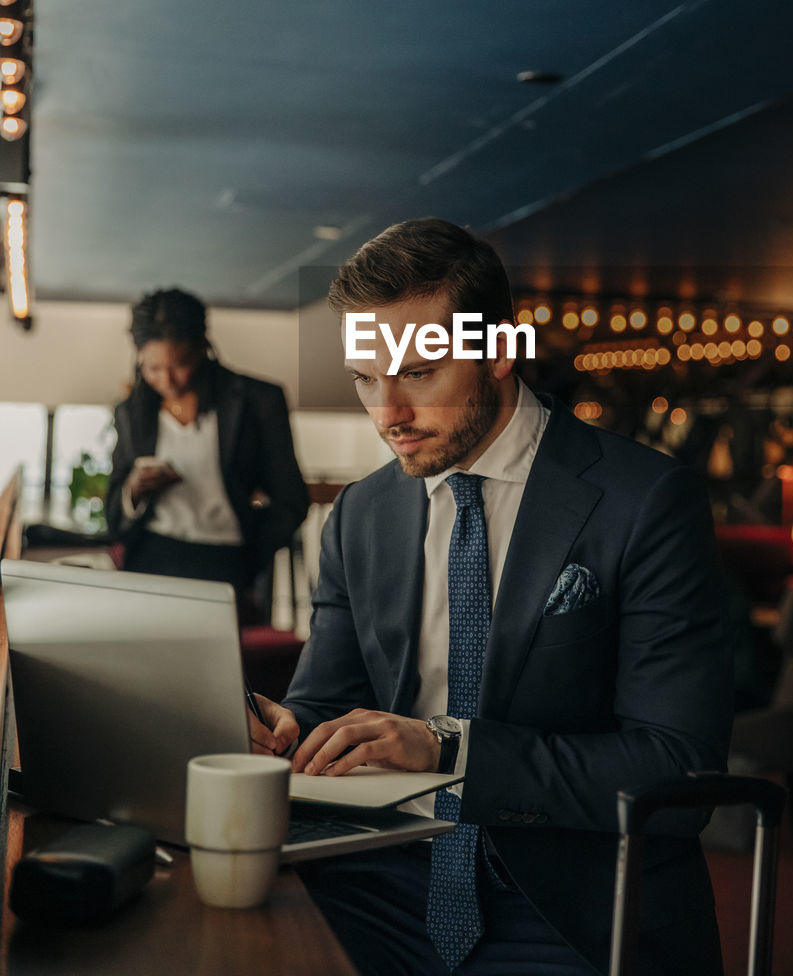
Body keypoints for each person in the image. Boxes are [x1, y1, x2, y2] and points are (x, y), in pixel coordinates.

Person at [251, 220, 732, 976]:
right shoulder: (361, 513)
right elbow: (328, 703)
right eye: (365, 379)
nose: (387, 414)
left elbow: (679, 771)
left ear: (500, 350)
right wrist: (286, 729)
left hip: (559, 902)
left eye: (416, 373)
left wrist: (448, 750)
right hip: (374, 874)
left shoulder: (644, 502)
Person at [106, 288, 309, 605]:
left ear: (202, 348)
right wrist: (133, 490)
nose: (167, 380)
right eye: (153, 368)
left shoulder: (259, 401)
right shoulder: (132, 411)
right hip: (148, 556)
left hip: (225, 559)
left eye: (180, 364)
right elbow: (113, 510)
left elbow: (291, 499)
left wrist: (251, 556)